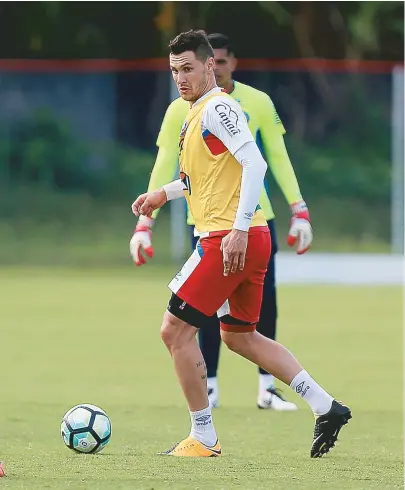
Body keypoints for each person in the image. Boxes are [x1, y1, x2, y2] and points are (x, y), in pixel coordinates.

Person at [131, 29, 351, 458]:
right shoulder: (194, 111)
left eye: (188, 68)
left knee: (174, 331)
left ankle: (204, 437)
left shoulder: (217, 108)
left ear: (210, 65)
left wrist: (236, 227)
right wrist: (165, 193)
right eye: (174, 70)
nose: (180, 77)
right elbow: (208, 177)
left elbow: (255, 161)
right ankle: (325, 405)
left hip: (227, 240)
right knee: (240, 338)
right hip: (247, 238)